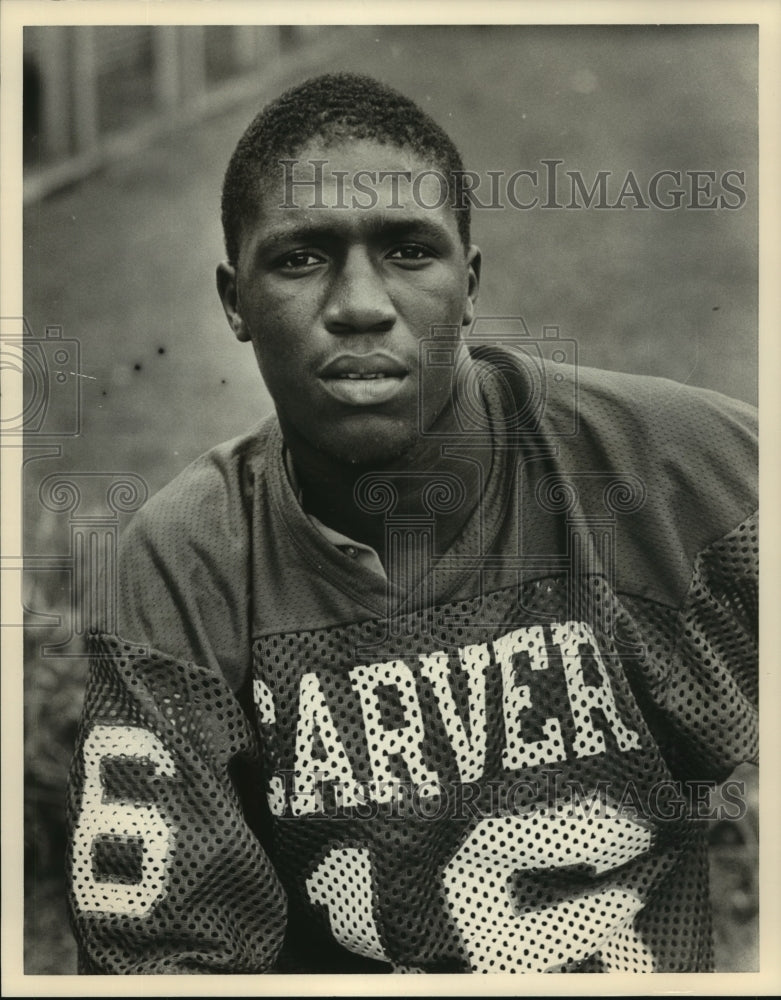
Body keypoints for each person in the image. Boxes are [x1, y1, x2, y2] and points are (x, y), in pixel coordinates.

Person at [65, 72, 757, 974]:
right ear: (235, 301)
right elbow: (164, 959)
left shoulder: (668, 468)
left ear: (467, 284)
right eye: (301, 258)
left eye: (407, 251)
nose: (359, 304)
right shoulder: (187, 560)